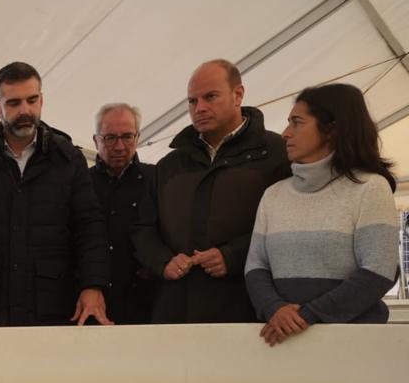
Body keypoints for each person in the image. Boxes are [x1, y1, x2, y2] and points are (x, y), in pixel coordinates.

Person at [0, 61, 110, 328]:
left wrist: (93, 285)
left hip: (57, 305)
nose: (25, 110)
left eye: (32, 100)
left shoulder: (68, 159)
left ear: (42, 100)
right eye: (14, 103)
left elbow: (89, 227)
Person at [132, 59, 290, 323]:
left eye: (210, 97)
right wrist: (163, 261)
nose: (200, 108)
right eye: (192, 101)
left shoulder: (276, 155)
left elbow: (287, 226)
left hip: (247, 309)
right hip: (175, 310)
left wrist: (233, 255)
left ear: (238, 94)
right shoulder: (169, 165)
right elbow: (142, 227)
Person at [245, 83, 399, 346]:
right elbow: (255, 266)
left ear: (332, 129)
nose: (284, 133)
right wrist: (274, 308)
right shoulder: (273, 195)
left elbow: (379, 270)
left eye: (297, 123)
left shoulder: (370, 188)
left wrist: (308, 315)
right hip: (281, 343)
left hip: (353, 345)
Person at [89, 103, 156, 324]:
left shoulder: (156, 179)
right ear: (96, 140)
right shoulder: (80, 184)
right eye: (110, 138)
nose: (119, 146)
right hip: (91, 304)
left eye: (127, 137)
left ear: (138, 137)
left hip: (146, 304)